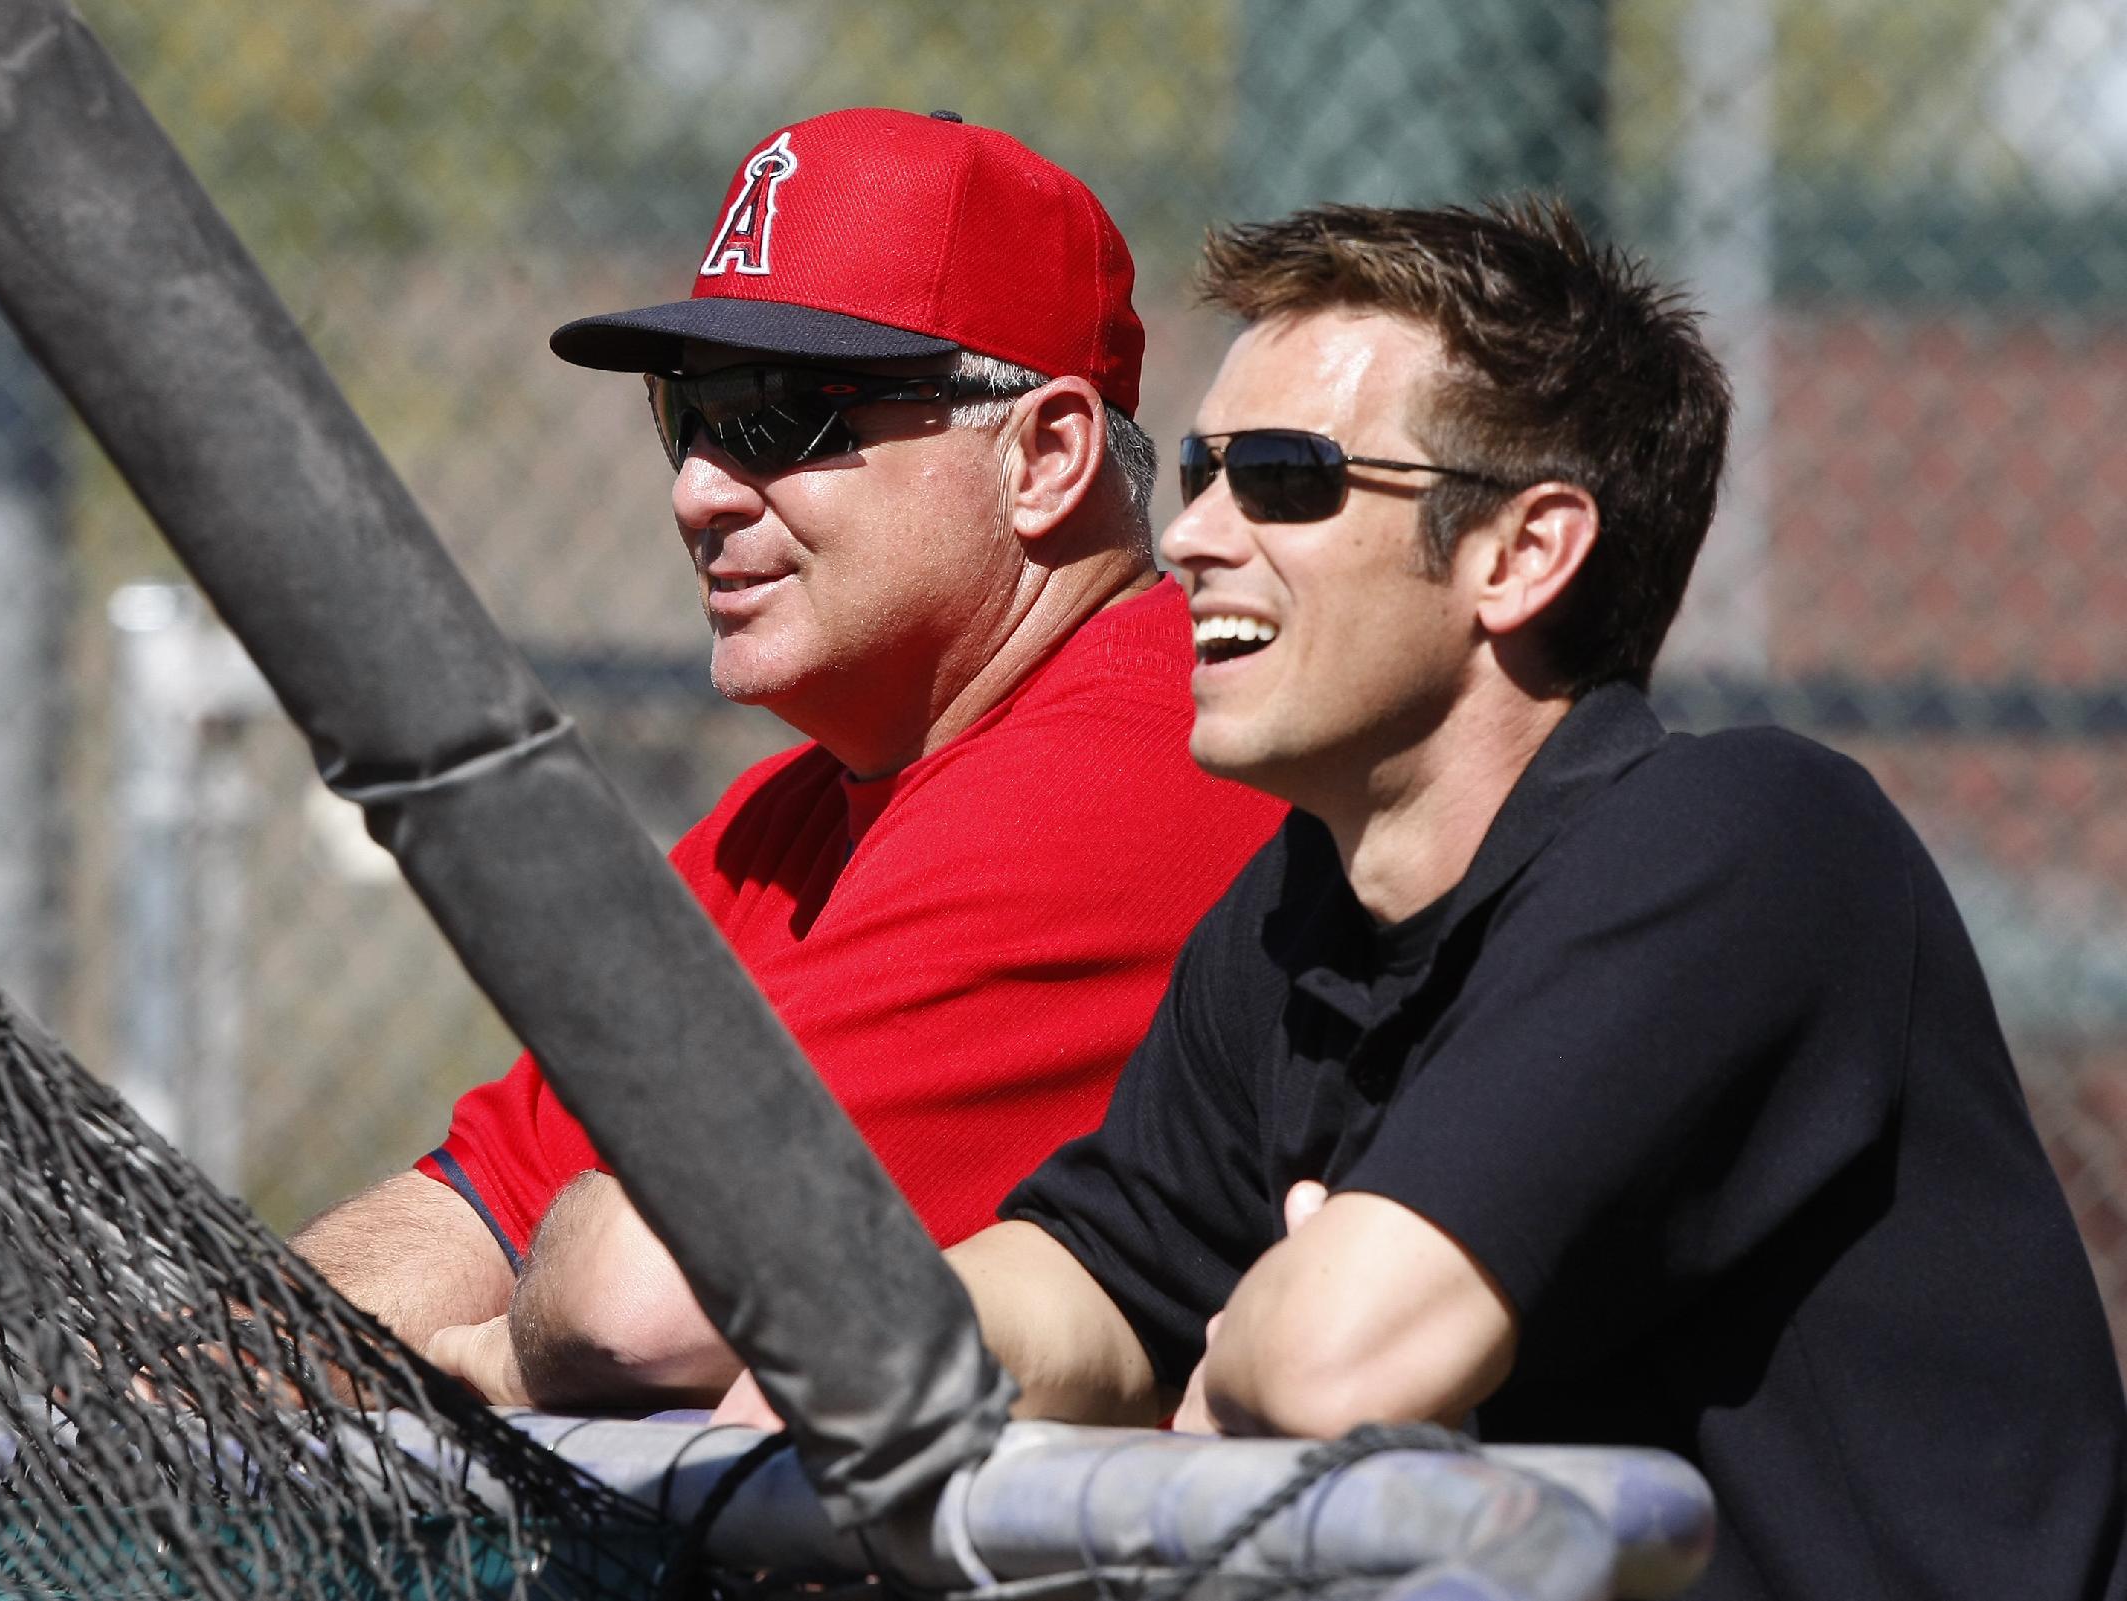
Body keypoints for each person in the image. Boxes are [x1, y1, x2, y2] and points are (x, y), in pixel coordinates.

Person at [725, 199, 2127, 1598]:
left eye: (1283, 478)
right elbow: (1083, 1286)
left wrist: (1259, 1343)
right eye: (1203, 470)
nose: (1198, 533)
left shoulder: (1749, 842)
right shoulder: (1290, 913)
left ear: (1522, 553)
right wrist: (838, 1367)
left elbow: (1347, 1356)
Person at [289, 107, 1284, 1406]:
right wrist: (203, 1387)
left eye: (782, 416)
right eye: (685, 413)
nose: (698, 490)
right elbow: (483, 1195)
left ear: (1044, 456)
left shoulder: (1139, 759)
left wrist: (475, 1355)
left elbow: (635, 1298)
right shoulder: (792, 814)